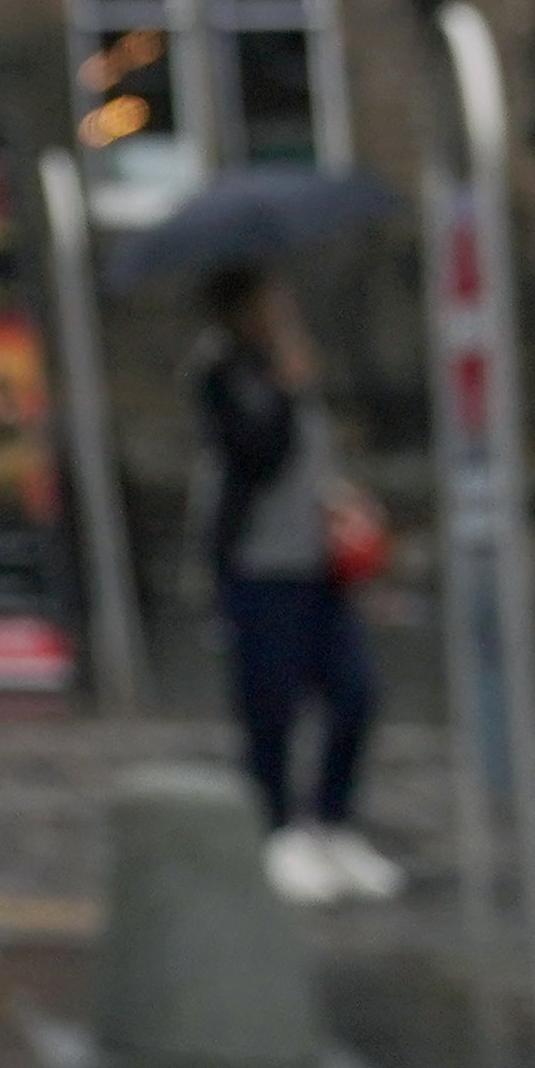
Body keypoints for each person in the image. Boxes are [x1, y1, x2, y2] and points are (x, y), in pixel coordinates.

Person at [190, 266, 393, 901]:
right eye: (268, 299)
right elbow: (258, 455)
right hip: (260, 564)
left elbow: (309, 458)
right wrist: (286, 388)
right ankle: (276, 830)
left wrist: (341, 500)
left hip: (315, 560)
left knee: (355, 693)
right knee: (270, 705)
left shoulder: (279, 367)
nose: (280, 310)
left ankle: (334, 822)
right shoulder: (220, 372)